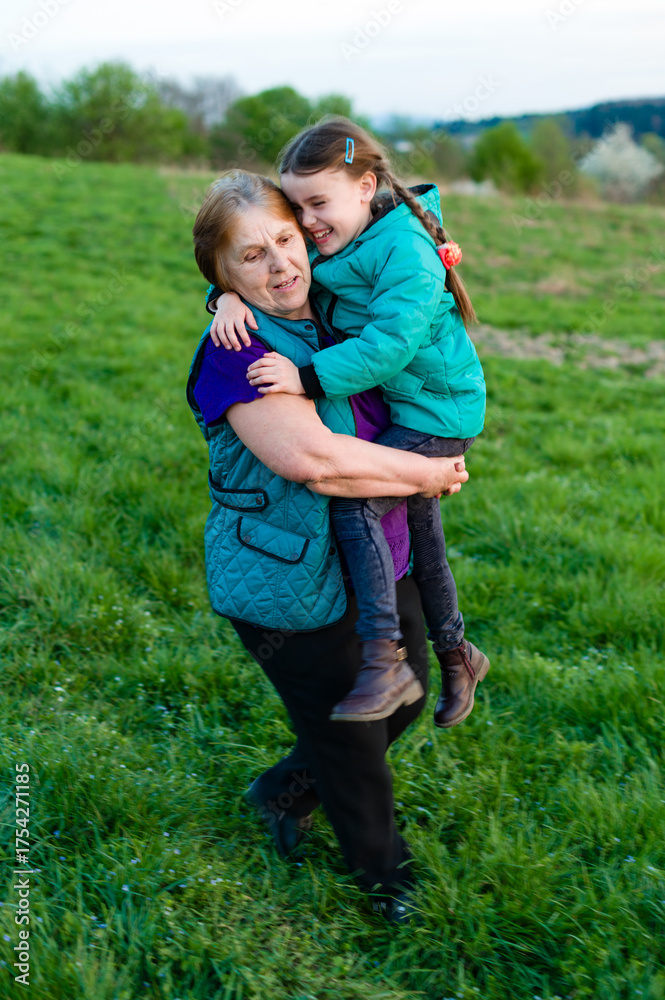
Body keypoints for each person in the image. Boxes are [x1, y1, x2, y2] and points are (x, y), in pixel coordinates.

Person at [189, 170, 469, 921]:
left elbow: (395, 240)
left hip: (380, 557)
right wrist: (430, 473)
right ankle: (385, 879)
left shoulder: (341, 308)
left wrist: (434, 253)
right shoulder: (235, 348)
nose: (280, 265)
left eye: (286, 239)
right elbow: (314, 462)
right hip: (292, 581)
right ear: (220, 275)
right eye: (249, 257)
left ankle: (278, 789)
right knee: (351, 731)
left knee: (399, 699)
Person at [207, 117, 490, 729]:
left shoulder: (405, 250)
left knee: (354, 502)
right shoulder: (343, 234)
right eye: (299, 206)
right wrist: (223, 296)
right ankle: (456, 651)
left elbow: (391, 342)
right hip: (412, 403)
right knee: (423, 528)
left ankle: (382, 659)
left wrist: (307, 378)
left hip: (437, 409)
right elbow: (259, 258)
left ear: (365, 186)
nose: (307, 223)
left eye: (317, 203)